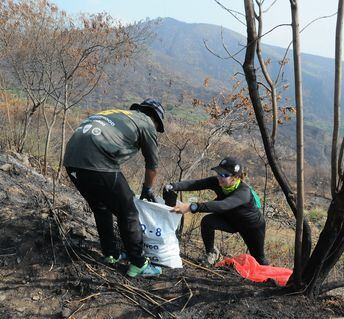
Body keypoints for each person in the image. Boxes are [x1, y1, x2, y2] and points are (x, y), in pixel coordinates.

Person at [64, 99, 165, 277]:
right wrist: (147, 189)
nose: (155, 128)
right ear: (155, 119)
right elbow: (152, 166)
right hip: (97, 162)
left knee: (101, 208)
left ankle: (111, 254)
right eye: (157, 126)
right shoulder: (147, 123)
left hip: (71, 161)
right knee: (129, 212)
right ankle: (139, 264)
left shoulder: (116, 113)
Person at [167, 156, 269, 266]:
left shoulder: (243, 192)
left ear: (235, 177)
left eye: (224, 175)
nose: (220, 177)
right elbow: (196, 184)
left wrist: (191, 207)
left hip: (251, 227)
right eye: (219, 173)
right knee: (207, 221)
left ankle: (268, 279)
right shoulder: (218, 182)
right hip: (231, 221)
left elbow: (222, 205)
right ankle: (211, 254)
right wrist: (173, 186)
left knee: (259, 259)